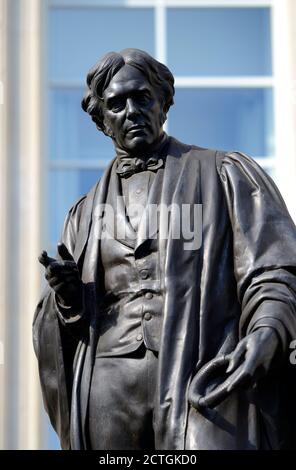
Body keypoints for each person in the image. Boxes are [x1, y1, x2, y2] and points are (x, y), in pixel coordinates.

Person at [33, 48, 296, 450]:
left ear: (163, 102)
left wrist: (268, 328)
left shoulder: (223, 175)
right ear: (102, 119)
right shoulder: (82, 216)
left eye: (142, 97)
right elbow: (65, 327)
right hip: (109, 388)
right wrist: (68, 299)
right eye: (116, 104)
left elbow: (273, 268)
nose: (132, 110)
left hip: (203, 372)